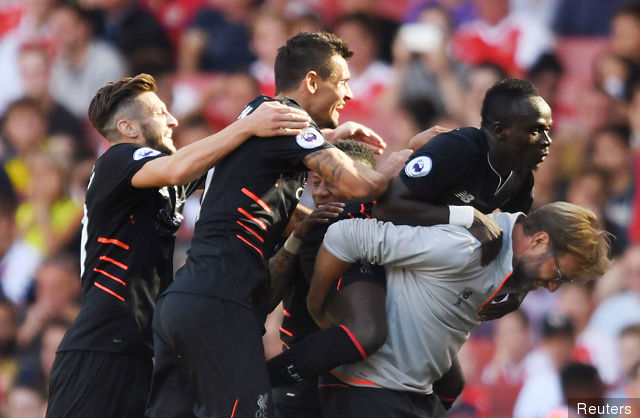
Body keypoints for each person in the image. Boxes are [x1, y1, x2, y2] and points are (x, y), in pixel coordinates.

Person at [147, 32, 408, 417]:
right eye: (343, 82)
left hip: (183, 302)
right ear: (313, 82)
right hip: (221, 303)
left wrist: (327, 138)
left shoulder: (258, 115)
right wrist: (391, 168)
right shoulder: (289, 118)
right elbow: (356, 185)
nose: (349, 95)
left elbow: (267, 194)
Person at [266, 78, 553, 409]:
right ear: (502, 130)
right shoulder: (459, 149)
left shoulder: (520, 179)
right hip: (360, 237)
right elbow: (390, 206)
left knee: (452, 382)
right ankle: (263, 379)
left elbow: (515, 246)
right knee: (365, 335)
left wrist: (516, 292)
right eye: (536, 130)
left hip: (406, 261)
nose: (546, 140)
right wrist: (467, 217)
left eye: (547, 130)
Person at [45, 73, 311, 418]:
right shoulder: (117, 159)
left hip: (141, 350)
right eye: (159, 113)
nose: (172, 120)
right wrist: (247, 126)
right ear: (127, 127)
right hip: (99, 347)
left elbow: (235, 170)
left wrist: (317, 143)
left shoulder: (162, 183)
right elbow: (178, 167)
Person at [306, 202, 610, 417]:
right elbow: (345, 235)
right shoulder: (465, 247)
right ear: (539, 241)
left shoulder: (511, 277)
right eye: (557, 274)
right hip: (367, 391)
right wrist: (314, 305)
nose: (554, 287)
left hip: (413, 396)